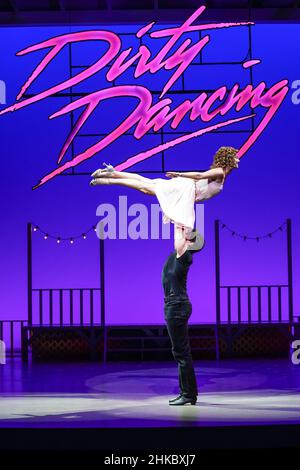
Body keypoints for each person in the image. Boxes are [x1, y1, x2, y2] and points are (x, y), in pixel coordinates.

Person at [90, 146, 239, 242]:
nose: (238, 159)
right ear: (228, 159)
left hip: (185, 190)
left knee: (148, 184)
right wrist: (180, 174)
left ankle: (112, 173)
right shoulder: (220, 172)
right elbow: (200, 175)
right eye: (235, 157)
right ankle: (108, 179)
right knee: (146, 187)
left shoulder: (221, 174)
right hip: (185, 190)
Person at [162, 229, 204, 406]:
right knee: (181, 353)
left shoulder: (185, 256)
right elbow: (178, 238)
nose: (178, 237)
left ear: (188, 243)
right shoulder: (177, 255)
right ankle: (189, 393)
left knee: (181, 353)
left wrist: (178, 219)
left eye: (182, 237)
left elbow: (180, 238)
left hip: (177, 306)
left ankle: (187, 394)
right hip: (174, 305)